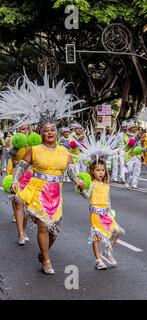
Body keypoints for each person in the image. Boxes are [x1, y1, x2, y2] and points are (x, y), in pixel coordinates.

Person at [7, 72, 86, 274]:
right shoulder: (35, 150)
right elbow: (21, 167)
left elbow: (70, 171)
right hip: (37, 192)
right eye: (45, 130)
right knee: (43, 227)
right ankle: (47, 260)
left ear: (57, 131)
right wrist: (15, 180)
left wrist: (77, 179)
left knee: (55, 230)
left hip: (56, 194)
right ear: (41, 132)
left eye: (52, 130)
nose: (49, 133)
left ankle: (43, 253)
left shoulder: (64, 151)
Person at [77, 130, 124, 270]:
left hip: (106, 213)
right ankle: (98, 260)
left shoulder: (106, 184)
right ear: (92, 171)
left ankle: (107, 251)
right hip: (95, 214)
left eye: (102, 170)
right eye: (98, 170)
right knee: (97, 236)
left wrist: (110, 211)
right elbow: (87, 196)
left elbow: (108, 200)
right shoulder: (92, 184)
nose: (101, 173)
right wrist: (81, 190)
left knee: (118, 231)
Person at [123, 120, 142, 189]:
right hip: (129, 155)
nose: (135, 128)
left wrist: (140, 138)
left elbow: (140, 144)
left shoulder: (138, 135)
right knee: (129, 170)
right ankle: (127, 181)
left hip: (137, 155)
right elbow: (130, 143)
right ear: (130, 128)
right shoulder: (125, 136)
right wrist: (136, 137)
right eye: (133, 127)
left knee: (137, 171)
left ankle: (134, 183)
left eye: (135, 127)